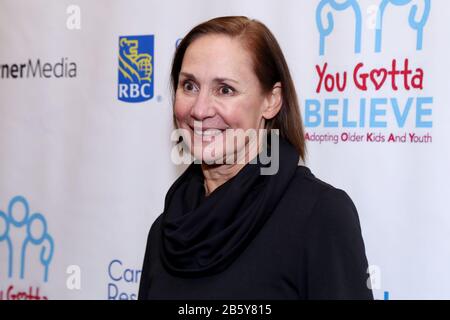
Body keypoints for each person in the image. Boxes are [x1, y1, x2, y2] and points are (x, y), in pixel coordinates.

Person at [138, 16, 373, 300]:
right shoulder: (167, 228)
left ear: (271, 100)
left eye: (225, 89)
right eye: (189, 86)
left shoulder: (319, 215)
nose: (200, 110)